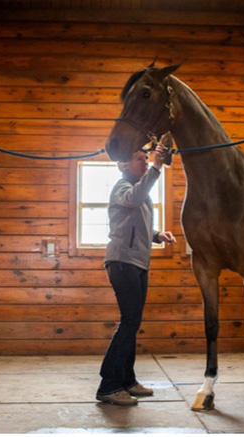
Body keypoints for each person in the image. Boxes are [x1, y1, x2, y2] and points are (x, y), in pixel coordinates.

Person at [96, 144, 176, 406]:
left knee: (132, 323)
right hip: (121, 262)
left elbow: (136, 222)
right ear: (124, 165)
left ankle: (127, 381)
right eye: (139, 159)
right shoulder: (122, 187)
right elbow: (133, 198)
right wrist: (156, 167)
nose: (144, 162)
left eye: (145, 158)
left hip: (137, 263)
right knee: (129, 321)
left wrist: (156, 235)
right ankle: (109, 385)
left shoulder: (138, 190)